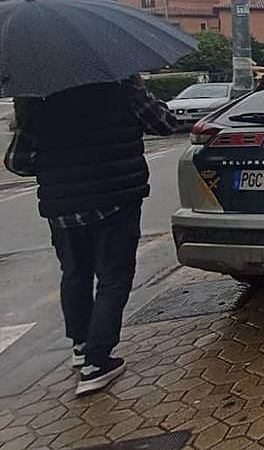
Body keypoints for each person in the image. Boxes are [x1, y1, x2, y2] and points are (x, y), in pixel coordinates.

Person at [3, 75, 176, 396]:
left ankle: (81, 346)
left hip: (62, 207)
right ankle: (98, 362)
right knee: (113, 277)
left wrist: (56, 167)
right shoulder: (122, 86)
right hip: (116, 198)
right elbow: (164, 124)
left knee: (74, 274)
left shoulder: (37, 98)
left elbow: (17, 161)